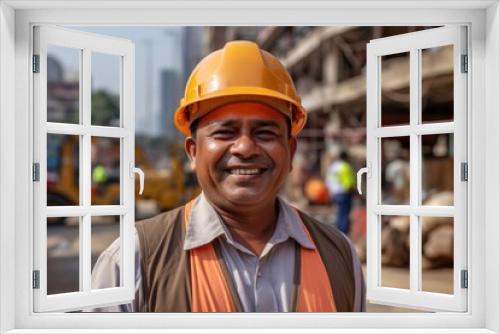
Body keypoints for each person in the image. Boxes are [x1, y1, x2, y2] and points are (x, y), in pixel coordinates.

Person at [91, 40, 365, 312]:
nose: (245, 147)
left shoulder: (339, 257)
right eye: (225, 132)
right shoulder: (133, 262)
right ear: (193, 152)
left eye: (265, 133)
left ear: (291, 151)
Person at [326, 151, 356, 234]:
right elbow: (348, 183)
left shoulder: (333, 167)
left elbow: (328, 180)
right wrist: (354, 192)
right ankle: (343, 234)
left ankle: (338, 233)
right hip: (343, 193)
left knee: (338, 214)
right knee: (344, 215)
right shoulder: (345, 166)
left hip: (334, 193)